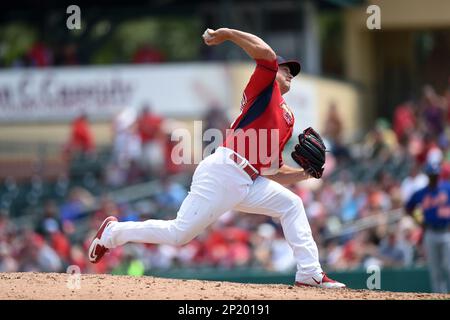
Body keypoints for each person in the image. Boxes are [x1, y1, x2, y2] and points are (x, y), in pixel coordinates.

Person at [88, 28, 346, 288]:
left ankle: (309, 273)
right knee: (179, 234)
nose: (290, 71)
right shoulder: (264, 87)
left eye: (292, 70)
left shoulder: (287, 118)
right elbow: (266, 54)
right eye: (285, 67)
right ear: (273, 70)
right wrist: (227, 34)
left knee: (292, 204)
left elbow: (273, 170)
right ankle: (113, 233)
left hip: (249, 180)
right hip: (225, 170)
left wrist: (305, 174)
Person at [405, 163, 450, 293]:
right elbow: (408, 207)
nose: (434, 178)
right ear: (427, 176)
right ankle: (439, 295)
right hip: (430, 232)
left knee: (449, 266)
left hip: (447, 231)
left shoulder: (447, 188)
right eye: (431, 175)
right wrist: (419, 221)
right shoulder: (421, 192)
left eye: (435, 175)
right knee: (435, 269)